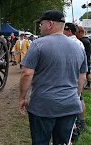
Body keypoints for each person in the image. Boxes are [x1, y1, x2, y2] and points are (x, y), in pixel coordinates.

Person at [19, 10, 87, 145]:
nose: (39, 26)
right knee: (62, 142)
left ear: (50, 24)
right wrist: (75, 95)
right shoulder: (79, 47)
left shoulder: (38, 44)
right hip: (70, 106)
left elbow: (27, 74)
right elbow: (82, 77)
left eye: (41, 23)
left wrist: (22, 97)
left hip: (42, 106)